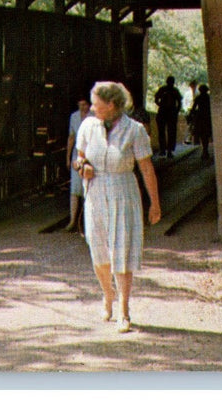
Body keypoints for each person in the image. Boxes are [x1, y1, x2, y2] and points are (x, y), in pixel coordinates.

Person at [73, 81, 161, 333]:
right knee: (97, 249)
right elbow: (78, 159)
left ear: (111, 105)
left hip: (123, 191)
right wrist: (82, 167)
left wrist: (154, 203)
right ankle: (107, 294)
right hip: (96, 191)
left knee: (121, 250)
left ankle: (124, 310)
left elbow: (146, 168)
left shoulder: (135, 131)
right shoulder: (88, 126)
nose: (91, 108)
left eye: (96, 103)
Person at [64, 97, 91, 232]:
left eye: (84, 104)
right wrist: (68, 157)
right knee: (75, 190)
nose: (82, 107)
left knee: (89, 189)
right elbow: (71, 137)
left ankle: (87, 222)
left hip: (91, 156)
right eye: (80, 104)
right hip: (77, 156)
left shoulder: (94, 116)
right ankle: (72, 220)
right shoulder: (74, 117)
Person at [153, 76, 183, 158]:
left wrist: (176, 110)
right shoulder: (164, 90)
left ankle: (168, 151)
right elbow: (156, 99)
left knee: (170, 132)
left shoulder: (174, 91)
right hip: (164, 112)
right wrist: (162, 106)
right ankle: (164, 150)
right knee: (164, 132)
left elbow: (179, 102)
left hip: (170, 113)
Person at [190, 84, 212, 159]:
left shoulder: (198, 98)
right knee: (206, 135)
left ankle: (205, 151)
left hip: (200, 118)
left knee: (203, 135)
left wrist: (191, 115)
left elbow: (193, 108)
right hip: (207, 118)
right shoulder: (209, 98)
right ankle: (205, 150)